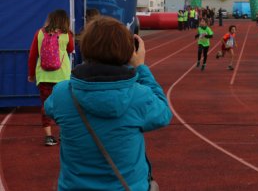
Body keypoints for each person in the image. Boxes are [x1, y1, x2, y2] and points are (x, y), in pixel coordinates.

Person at [44, 16, 172, 190]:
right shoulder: (139, 95)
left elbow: (49, 108)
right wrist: (141, 67)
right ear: (128, 51)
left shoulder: (62, 93)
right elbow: (163, 114)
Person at [27, 9, 75, 146]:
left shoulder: (39, 33)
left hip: (44, 76)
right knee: (65, 104)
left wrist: (31, 74)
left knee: (46, 105)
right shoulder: (67, 34)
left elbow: (32, 55)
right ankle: (63, 133)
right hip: (63, 76)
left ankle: (48, 136)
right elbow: (71, 49)